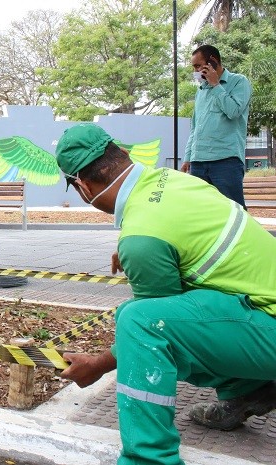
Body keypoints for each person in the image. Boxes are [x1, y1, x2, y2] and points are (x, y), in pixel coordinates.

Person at [55, 123, 276, 465]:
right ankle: (250, 391)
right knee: (184, 312)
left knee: (138, 322)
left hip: (269, 330)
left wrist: (98, 365)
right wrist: (141, 245)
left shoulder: (143, 236)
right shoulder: (176, 181)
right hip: (263, 313)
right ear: (124, 154)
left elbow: (155, 326)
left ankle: (150, 459)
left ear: (83, 187)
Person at [181, 44, 252, 208]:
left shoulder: (238, 82)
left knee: (234, 211)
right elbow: (195, 126)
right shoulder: (201, 90)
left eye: (198, 66)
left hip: (225, 160)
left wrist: (216, 85)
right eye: (194, 67)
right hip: (198, 162)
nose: (196, 71)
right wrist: (188, 156)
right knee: (201, 211)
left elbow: (234, 111)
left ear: (212, 61)